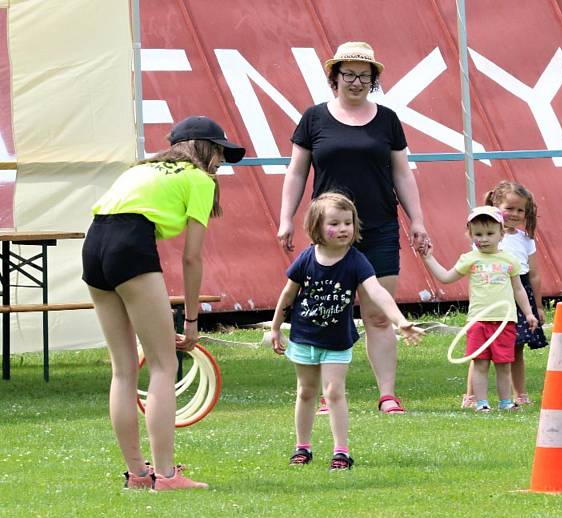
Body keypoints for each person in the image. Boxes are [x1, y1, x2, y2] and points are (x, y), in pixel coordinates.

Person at [82, 115, 246, 490]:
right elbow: (192, 258)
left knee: (123, 370)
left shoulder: (140, 170)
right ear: (205, 148)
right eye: (220, 152)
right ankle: (167, 475)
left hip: (94, 245)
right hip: (129, 246)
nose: (222, 161)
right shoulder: (200, 179)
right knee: (162, 365)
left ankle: (138, 475)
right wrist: (190, 320)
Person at [278, 41, 429, 415]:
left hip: (378, 226)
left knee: (378, 311)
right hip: (329, 231)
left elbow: (402, 173)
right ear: (335, 78)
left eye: (365, 76)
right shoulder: (314, 118)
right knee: (329, 311)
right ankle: (330, 395)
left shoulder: (388, 120)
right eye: (349, 74)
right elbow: (297, 172)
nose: (357, 82)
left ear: (373, 80)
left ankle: (388, 394)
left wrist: (418, 221)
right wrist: (286, 219)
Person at [271, 193, 424, 470]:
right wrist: (275, 328)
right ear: (317, 227)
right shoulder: (307, 258)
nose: (343, 229)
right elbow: (288, 294)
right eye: (335, 223)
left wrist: (400, 321)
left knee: (333, 391)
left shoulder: (357, 261)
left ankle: (341, 452)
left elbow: (376, 291)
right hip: (304, 337)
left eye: (348, 223)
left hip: (336, 341)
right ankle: (302, 447)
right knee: (306, 391)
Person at [422, 206, 538, 412]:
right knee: (480, 363)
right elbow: (446, 278)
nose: (483, 239)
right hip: (478, 321)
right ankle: (481, 402)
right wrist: (428, 258)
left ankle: (505, 402)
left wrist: (529, 313)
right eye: (478, 234)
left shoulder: (509, 260)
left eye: (490, 233)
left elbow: (518, 289)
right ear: (470, 235)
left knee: (504, 364)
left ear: (501, 234)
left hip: (505, 321)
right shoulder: (470, 259)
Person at [461, 181, 548, 409]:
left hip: (519, 295)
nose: (515, 214)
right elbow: (475, 272)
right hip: (492, 297)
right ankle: (471, 395)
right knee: (480, 351)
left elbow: (535, 275)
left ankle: (519, 394)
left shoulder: (525, 240)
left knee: (514, 348)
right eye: (509, 208)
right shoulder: (483, 238)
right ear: (495, 205)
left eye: (521, 210)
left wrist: (537, 306)